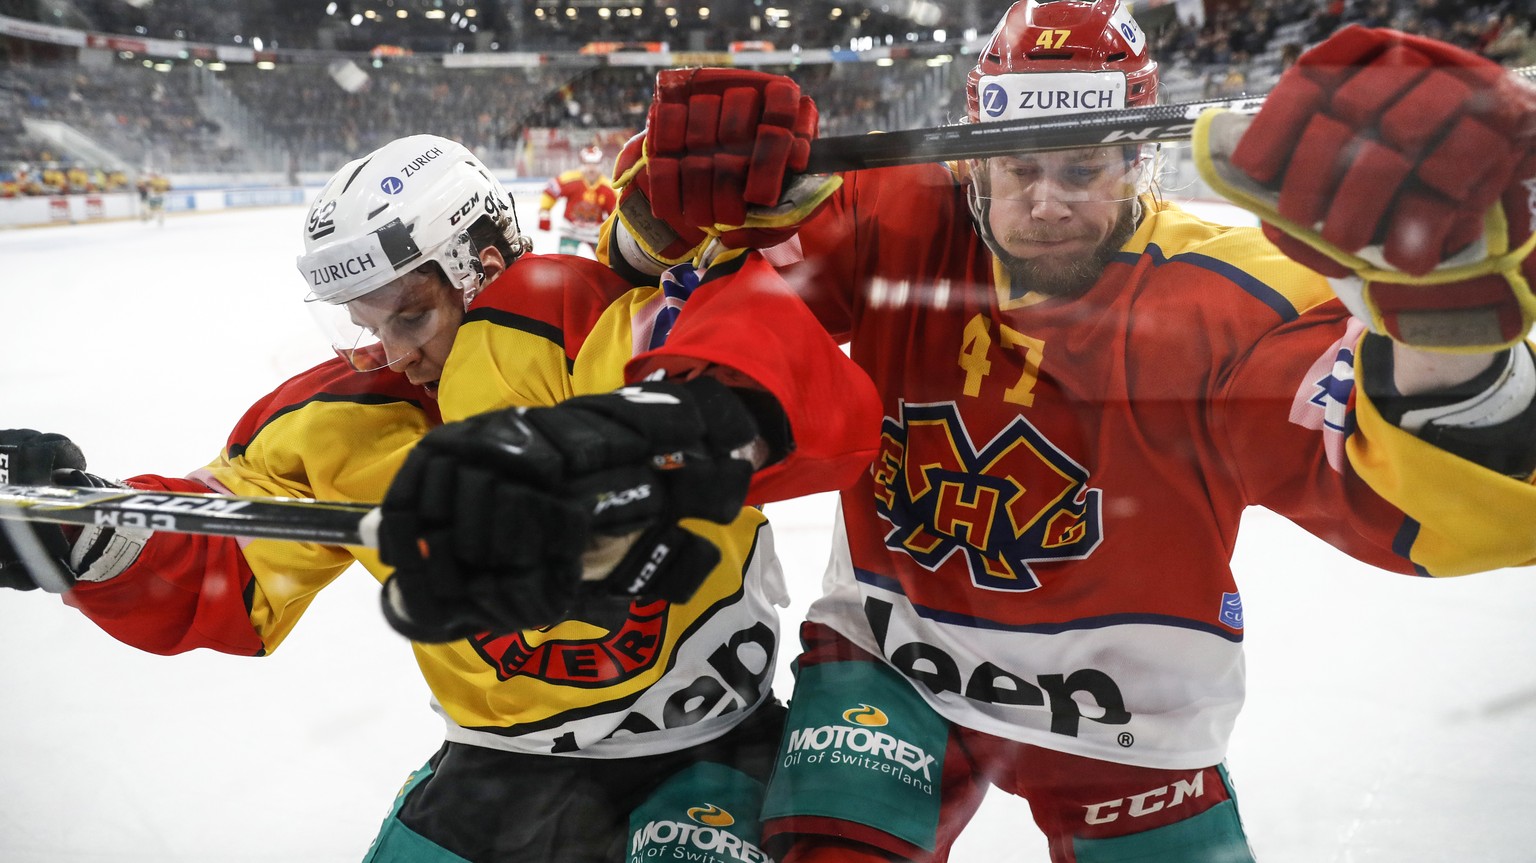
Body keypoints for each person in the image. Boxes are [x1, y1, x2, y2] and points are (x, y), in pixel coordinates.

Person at [593, 1, 1536, 860]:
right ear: (974, 163)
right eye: (1020, 167)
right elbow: (702, 300)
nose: (1047, 200)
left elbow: (1387, 484)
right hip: (891, 667)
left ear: (1137, 160)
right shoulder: (897, 219)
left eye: (1082, 167)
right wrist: (668, 215)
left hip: (1132, 716)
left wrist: (1442, 342)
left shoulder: (1240, 291)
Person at [0, 134, 880, 861]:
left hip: (711, 747)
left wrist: (677, 433)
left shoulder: (598, 323)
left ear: (479, 265)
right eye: (362, 322)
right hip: (502, 767)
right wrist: (84, 535)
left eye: (409, 315)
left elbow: (785, 378)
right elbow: (225, 559)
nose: (387, 352)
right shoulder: (334, 419)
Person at [537, 143, 618, 258]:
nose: (591, 168)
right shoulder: (570, 179)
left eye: (595, 164)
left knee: (608, 264)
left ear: (601, 165)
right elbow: (550, 192)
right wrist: (544, 213)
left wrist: (615, 233)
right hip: (570, 230)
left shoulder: (608, 188)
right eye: (588, 164)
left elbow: (616, 214)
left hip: (595, 232)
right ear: (582, 164)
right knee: (565, 264)